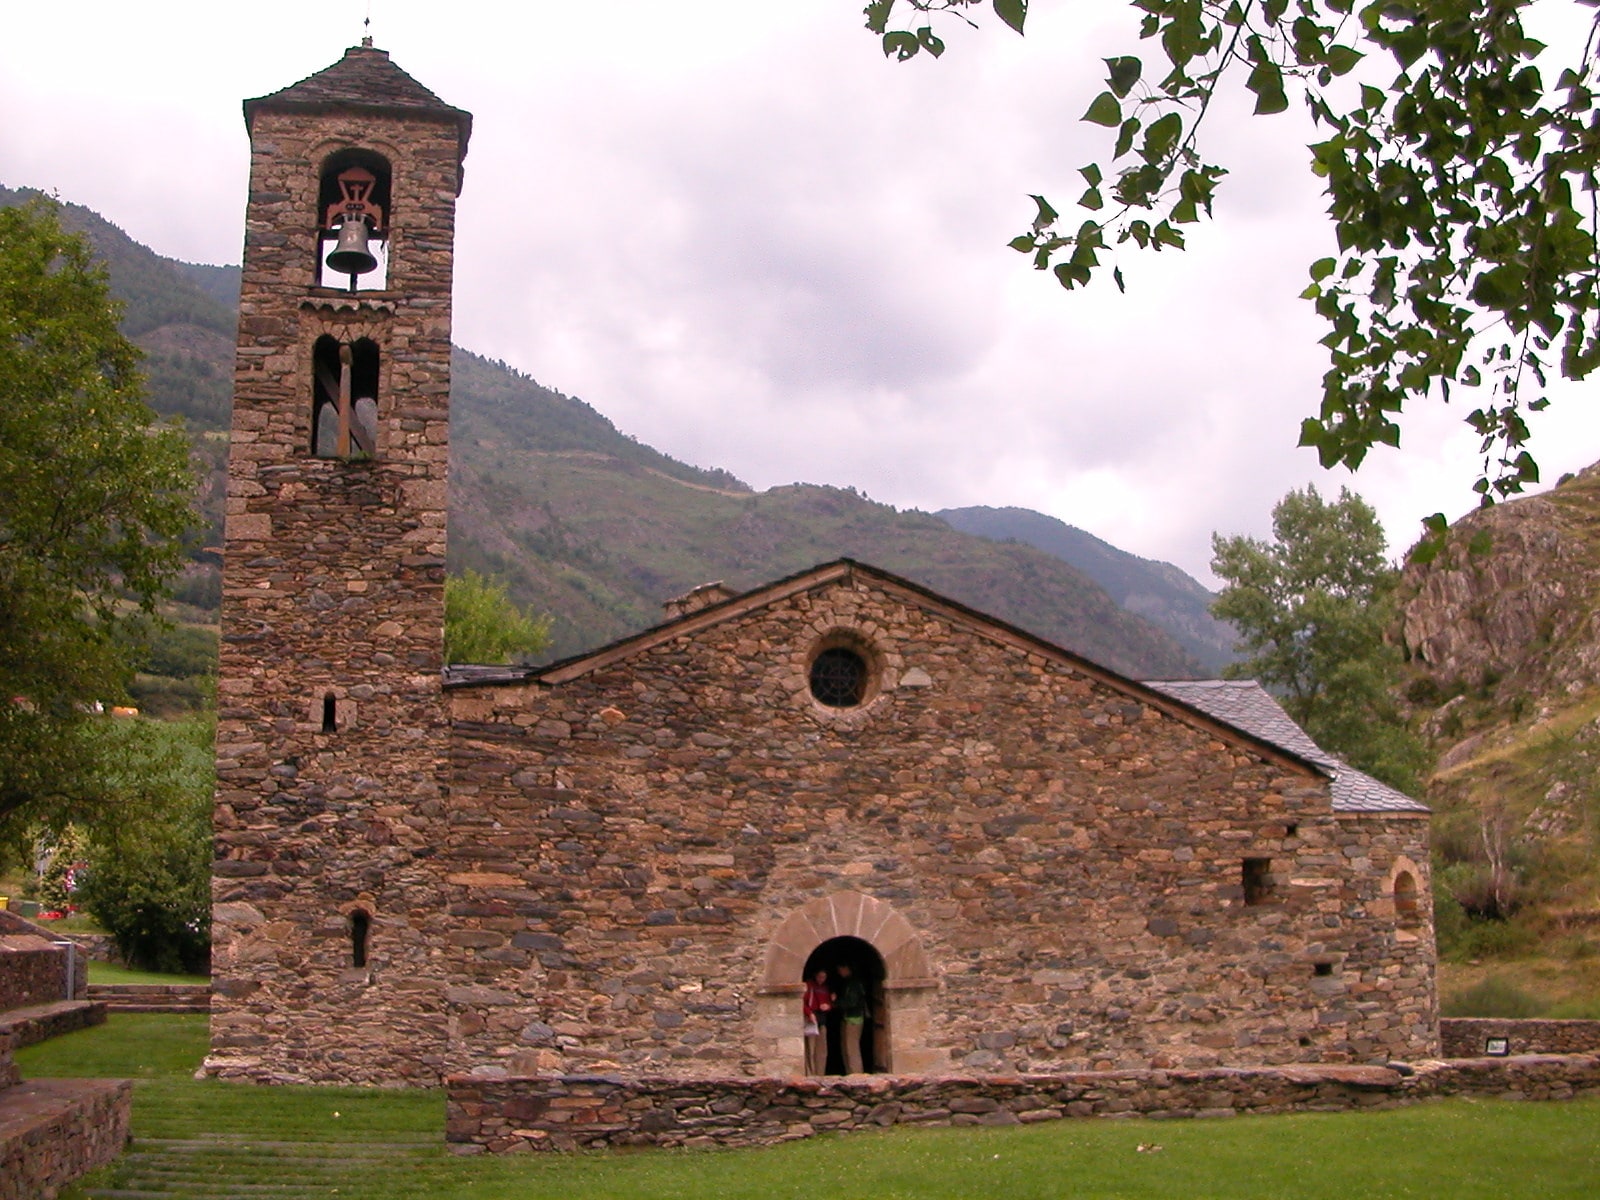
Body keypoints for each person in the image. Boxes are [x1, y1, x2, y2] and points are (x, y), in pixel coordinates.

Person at [834, 962, 868, 1074]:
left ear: (846, 968)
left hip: (854, 1019)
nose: (839, 972)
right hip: (847, 1018)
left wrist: (836, 1002)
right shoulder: (848, 982)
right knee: (846, 1049)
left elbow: (851, 1002)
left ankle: (857, 1074)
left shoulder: (854, 983)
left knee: (852, 1049)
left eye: (840, 969)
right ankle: (850, 1073)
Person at [801, 968, 832, 1076]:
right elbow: (802, 1002)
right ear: (815, 975)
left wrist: (828, 1006)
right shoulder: (809, 986)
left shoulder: (825, 987)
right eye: (820, 976)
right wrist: (809, 1013)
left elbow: (829, 1002)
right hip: (811, 1019)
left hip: (822, 1020)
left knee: (822, 1049)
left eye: (824, 977)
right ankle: (810, 1073)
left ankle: (820, 1073)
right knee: (811, 1048)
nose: (821, 979)